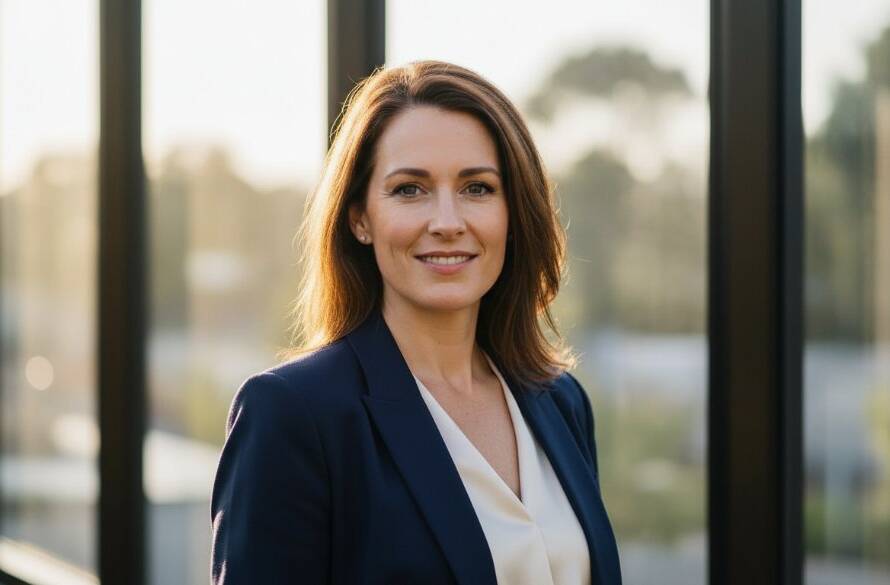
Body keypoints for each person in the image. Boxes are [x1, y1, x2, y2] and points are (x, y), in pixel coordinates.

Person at [210, 60, 621, 585]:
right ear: (360, 217)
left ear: (513, 214)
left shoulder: (559, 401)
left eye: (478, 188)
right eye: (410, 189)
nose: (448, 223)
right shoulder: (294, 415)